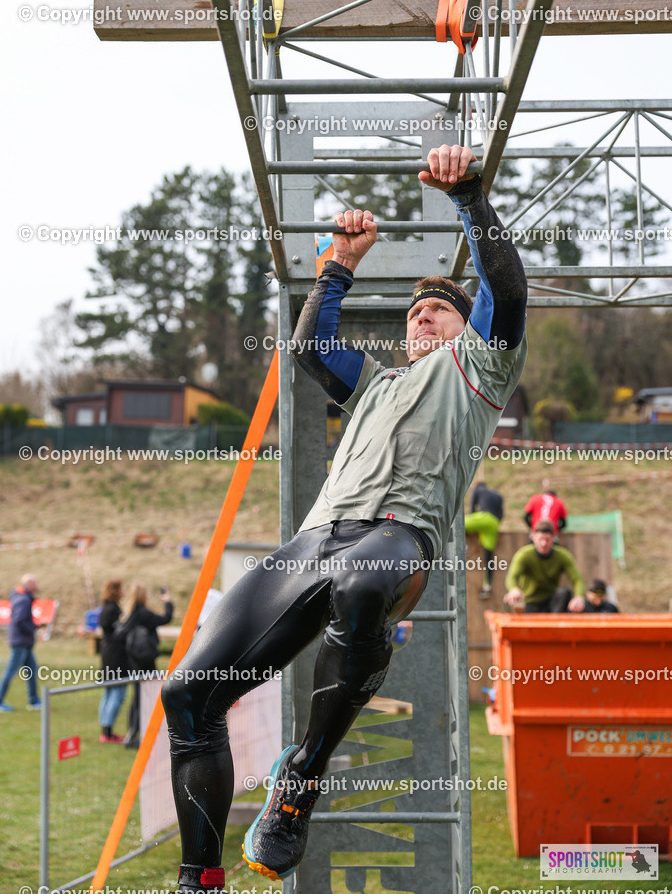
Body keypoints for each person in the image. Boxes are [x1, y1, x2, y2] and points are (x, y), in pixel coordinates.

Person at [161, 144, 528, 894]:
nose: (423, 315)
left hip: (398, 536)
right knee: (187, 695)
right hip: (313, 542)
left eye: (439, 309)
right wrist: (337, 261)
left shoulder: (480, 367)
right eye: (414, 311)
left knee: (363, 590)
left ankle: (301, 776)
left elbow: (505, 286)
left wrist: (468, 197)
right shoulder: (377, 383)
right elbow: (310, 347)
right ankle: (198, 878)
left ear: (468, 327)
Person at [122, 583, 173, 749]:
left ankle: (132, 731)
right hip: (146, 661)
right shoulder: (144, 614)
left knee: (137, 697)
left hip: (134, 660)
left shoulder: (131, 613)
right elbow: (165, 618)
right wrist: (167, 601)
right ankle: (141, 733)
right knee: (146, 697)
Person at [504, 521, 586, 613]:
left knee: (564, 593)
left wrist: (579, 596)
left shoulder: (562, 556)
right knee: (511, 599)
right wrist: (514, 589)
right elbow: (512, 577)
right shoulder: (524, 555)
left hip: (552, 602)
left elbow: (578, 580)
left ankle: (556, 625)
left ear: (553, 538)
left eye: (547, 539)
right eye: (541, 539)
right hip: (530, 602)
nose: (544, 543)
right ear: (534, 537)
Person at [0, 574, 42, 712]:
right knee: (10, 671)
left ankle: (34, 700)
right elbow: (18, 621)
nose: (37, 585)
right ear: (29, 584)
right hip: (20, 641)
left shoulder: (22, 597)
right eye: (35, 582)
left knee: (31, 669)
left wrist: (33, 627)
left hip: (24, 641)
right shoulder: (23, 600)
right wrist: (32, 628)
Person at [98, 578, 129, 743]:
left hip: (108, 653)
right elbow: (118, 633)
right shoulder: (112, 609)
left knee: (108, 692)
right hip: (116, 655)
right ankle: (108, 732)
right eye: (123, 588)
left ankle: (105, 730)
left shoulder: (106, 607)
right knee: (117, 693)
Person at [465, 480, 504, 597]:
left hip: (483, 517)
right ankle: (487, 586)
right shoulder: (497, 494)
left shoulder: (478, 489)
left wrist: (473, 524)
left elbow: (472, 509)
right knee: (488, 556)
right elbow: (501, 514)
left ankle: (464, 546)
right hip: (494, 523)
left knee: (460, 523)